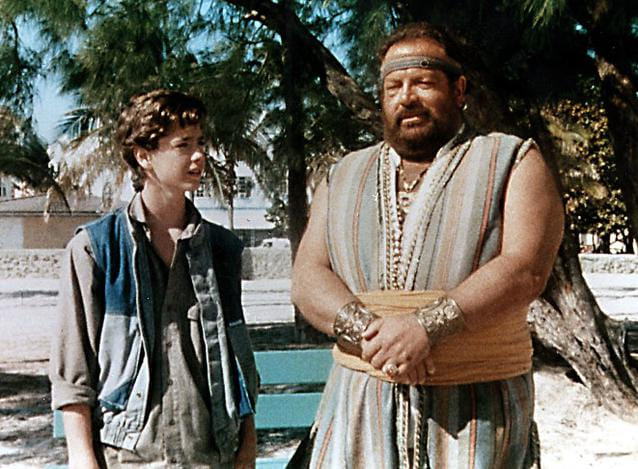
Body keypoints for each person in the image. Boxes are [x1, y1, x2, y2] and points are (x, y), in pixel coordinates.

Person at [291, 22, 564, 468]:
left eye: (423, 82)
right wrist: (377, 338)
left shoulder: (513, 159)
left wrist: (425, 328)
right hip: (359, 411)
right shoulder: (342, 175)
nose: (407, 97)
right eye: (393, 86)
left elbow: (524, 269)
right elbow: (307, 277)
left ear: (459, 89)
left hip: (477, 415)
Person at [49, 89, 258, 469]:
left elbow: (237, 358)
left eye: (200, 143)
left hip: (210, 455)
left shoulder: (222, 249)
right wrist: (82, 457)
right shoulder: (96, 248)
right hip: (128, 457)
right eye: (182, 145)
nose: (199, 156)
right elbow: (74, 368)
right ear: (144, 156)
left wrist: (247, 446)